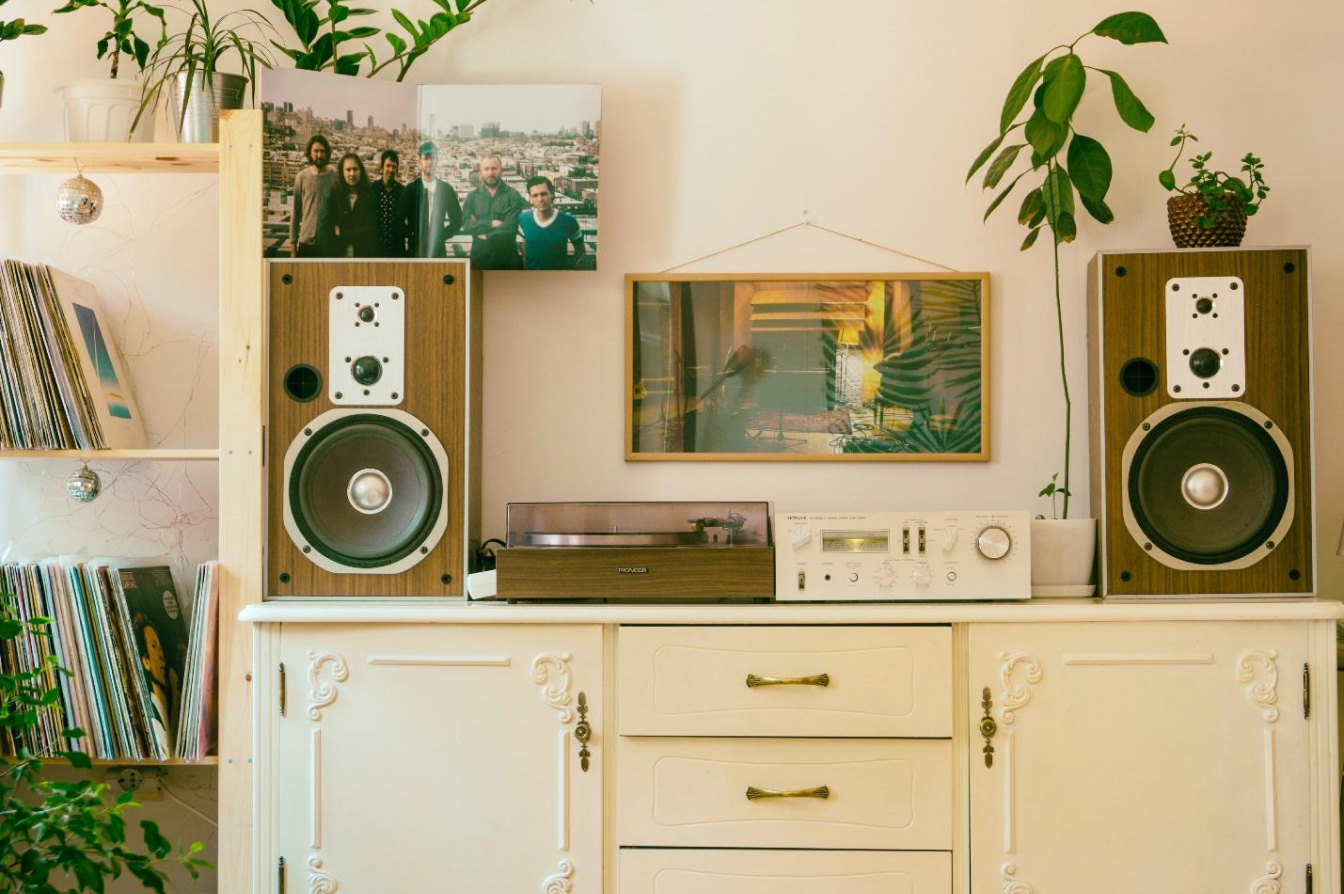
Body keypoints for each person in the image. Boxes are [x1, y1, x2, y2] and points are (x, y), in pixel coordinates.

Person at [399, 141, 462, 259]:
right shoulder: (410, 190)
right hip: (414, 252)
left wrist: (442, 235)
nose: (429, 162)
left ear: (437, 160)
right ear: (419, 161)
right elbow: (399, 219)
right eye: (426, 158)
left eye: (432, 158)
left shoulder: (446, 190)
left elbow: (457, 220)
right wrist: (412, 234)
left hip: (438, 252)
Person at [461, 153, 525, 269]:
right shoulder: (472, 197)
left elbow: (510, 227)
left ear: (501, 171)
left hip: (507, 260)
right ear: (481, 173)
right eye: (486, 169)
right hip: (479, 260)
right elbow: (466, 225)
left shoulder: (513, 196)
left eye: (494, 168)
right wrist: (492, 223)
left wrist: (485, 234)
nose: (490, 173)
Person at [518, 175, 586, 270]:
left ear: (552, 194)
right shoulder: (523, 218)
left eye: (544, 194)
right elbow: (524, 243)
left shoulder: (569, 221)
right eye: (535, 195)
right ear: (530, 199)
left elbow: (580, 252)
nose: (540, 199)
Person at [289, 134, 338, 258]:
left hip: (329, 245)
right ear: (310, 153)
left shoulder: (335, 177)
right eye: (316, 151)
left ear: (327, 153)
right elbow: (295, 213)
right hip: (306, 244)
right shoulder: (301, 177)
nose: (319, 155)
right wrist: (293, 246)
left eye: (322, 151)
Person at [331, 152, 379, 258]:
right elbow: (329, 229)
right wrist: (357, 233)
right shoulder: (335, 196)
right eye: (348, 170)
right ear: (341, 172)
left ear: (361, 171)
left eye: (355, 169)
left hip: (363, 256)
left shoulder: (370, 196)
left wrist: (342, 233)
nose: (352, 174)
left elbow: (370, 231)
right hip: (339, 255)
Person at [371, 149, 407, 257]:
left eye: (394, 167)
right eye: (388, 166)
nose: (390, 170)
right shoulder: (372, 189)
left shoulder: (403, 192)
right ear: (382, 167)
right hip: (375, 250)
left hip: (397, 250)